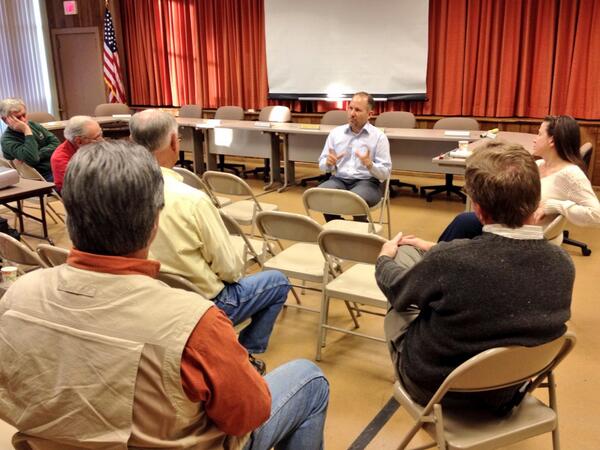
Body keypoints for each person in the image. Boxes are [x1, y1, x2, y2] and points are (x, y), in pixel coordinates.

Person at [0, 140, 329, 450]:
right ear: (154, 222)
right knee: (310, 379)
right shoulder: (194, 323)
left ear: (70, 215)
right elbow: (249, 417)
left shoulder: (18, 296)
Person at [376, 141, 573, 413]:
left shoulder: (451, 261)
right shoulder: (563, 264)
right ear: (536, 202)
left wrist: (384, 259)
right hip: (508, 390)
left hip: (438, 391)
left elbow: (396, 290)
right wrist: (435, 252)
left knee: (403, 263)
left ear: (477, 210)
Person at [130, 109, 290, 373]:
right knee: (278, 282)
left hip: (149, 298)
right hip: (201, 305)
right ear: (174, 142)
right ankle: (243, 356)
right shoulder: (192, 199)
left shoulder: (119, 189)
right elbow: (229, 269)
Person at [439, 115, 600, 241]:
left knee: (464, 223)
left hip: (525, 232)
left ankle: (438, 257)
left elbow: (596, 216)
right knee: (464, 221)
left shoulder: (571, 174)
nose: (535, 139)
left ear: (552, 140)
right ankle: (441, 255)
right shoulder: (538, 165)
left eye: (539, 134)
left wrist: (554, 206)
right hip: (512, 221)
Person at [317, 92, 391, 221]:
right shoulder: (336, 133)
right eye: (350, 108)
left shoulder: (379, 137)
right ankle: (337, 226)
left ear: (370, 114)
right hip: (339, 179)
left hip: (367, 182)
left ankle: (360, 228)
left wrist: (370, 165)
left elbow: (385, 173)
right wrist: (328, 163)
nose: (352, 113)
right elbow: (322, 164)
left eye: (357, 110)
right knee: (319, 195)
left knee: (354, 200)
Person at [0, 97, 59, 181]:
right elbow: (32, 159)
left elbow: (56, 143)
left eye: (24, 115)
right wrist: (26, 130)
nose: (23, 120)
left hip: (56, 165)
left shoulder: (33, 124)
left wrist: (38, 154)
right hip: (42, 176)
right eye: (18, 118)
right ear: (5, 119)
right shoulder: (7, 140)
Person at [50, 115, 103, 192]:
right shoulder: (60, 159)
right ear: (79, 141)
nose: (102, 140)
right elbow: (82, 187)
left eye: (101, 134)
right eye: (97, 137)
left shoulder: (91, 146)